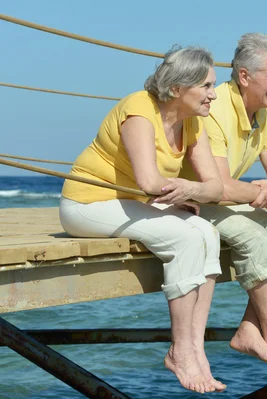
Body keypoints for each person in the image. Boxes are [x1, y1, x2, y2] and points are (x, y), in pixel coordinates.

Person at [59, 46, 226, 394]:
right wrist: (189, 190)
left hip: (128, 203)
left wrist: (188, 189)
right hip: (86, 204)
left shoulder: (192, 121)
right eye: (207, 86)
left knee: (207, 232)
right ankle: (180, 351)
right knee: (185, 237)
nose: (214, 94)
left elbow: (215, 188)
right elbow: (150, 183)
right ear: (178, 88)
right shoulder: (139, 110)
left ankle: (195, 347)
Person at [180, 33, 267, 370]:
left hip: (221, 200)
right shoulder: (214, 110)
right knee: (252, 236)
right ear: (244, 77)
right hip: (192, 199)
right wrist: (264, 193)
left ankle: (248, 328)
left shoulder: (264, 115)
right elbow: (219, 187)